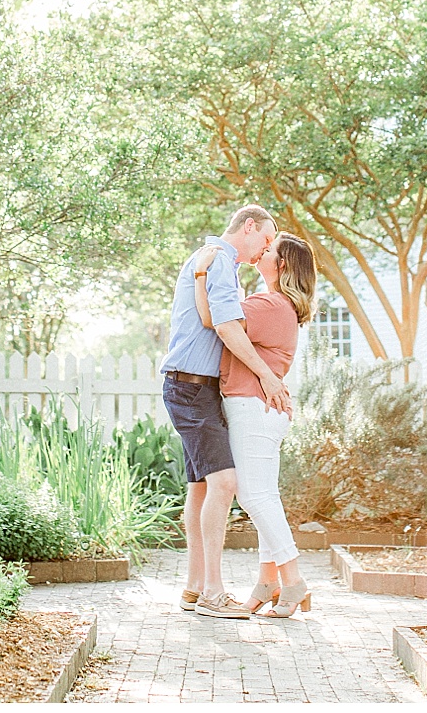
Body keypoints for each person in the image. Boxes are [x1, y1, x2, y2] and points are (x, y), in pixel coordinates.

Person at [160, 205, 291, 619]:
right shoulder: (217, 259)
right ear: (248, 227)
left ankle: (195, 587)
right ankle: (214, 595)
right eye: (265, 240)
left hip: (199, 389)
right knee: (224, 482)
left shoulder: (216, 264)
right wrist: (267, 376)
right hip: (191, 387)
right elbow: (226, 326)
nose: (265, 250)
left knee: (200, 487)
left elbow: (209, 316)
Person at [191, 230, 316, 617]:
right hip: (260, 410)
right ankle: (267, 581)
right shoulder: (276, 304)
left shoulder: (270, 305)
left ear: (280, 265)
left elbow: (214, 321)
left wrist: (199, 276)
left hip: (253, 408)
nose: (262, 249)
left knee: (254, 497)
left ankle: (293, 581)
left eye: (270, 249)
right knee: (263, 496)